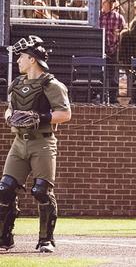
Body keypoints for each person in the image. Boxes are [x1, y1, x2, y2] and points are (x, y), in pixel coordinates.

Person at [0, 35, 71, 252]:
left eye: (21, 56)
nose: (18, 60)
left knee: (41, 191)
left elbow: (65, 114)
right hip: (19, 142)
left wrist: (40, 117)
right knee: (4, 189)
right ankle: (5, 238)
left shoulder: (52, 85)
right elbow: (9, 108)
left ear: (32, 59)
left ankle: (45, 240)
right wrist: (9, 116)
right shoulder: (17, 83)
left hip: (42, 143)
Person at [99, 0, 127, 103]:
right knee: (101, 75)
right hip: (101, 49)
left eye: (112, 3)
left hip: (114, 50)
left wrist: (119, 34)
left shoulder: (119, 17)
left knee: (114, 76)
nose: (111, 4)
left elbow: (125, 32)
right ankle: (101, 97)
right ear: (103, 3)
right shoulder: (98, 16)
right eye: (109, 2)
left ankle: (113, 98)